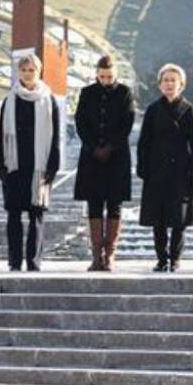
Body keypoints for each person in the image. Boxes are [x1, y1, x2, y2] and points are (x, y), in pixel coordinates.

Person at [0, 54, 60, 272]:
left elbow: (56, 135)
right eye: (23, 70)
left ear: (38, 71)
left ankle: (34, 262)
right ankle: (14, 261)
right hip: (14, 165)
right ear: (18, 72)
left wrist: (53, 165)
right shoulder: (10, 99)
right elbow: (0, 135)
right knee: (14, 215)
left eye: (31, 70)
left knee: (36, 215)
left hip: (39, 166)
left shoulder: (48, 100)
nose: (27, 73)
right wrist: (0, 165)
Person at [74, 55, 135, 272]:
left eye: (109, 77)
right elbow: (80, 122)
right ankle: (96, 255)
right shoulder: (87, 93)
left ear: (115, 75)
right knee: (94, 203)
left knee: (115, 204)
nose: (105, 80)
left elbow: (127, 122)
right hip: (92, 157)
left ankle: (109, 255)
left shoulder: (124, 93)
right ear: (96, 74)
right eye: (102, 77)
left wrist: (110, 146)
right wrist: (93, 146)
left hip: (116, 156)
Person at [136, 64, 193, 272]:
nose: (169, 84)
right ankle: (162, 258)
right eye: (166, 80)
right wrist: (142, 165)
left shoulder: (189, 109)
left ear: (181, 84)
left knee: (179, 218)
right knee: (159, 218)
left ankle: (175, 258)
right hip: (157, 171)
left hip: (181, 172)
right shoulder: (153, 110)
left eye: (174, 80)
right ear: (160, 84)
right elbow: (144, 141)